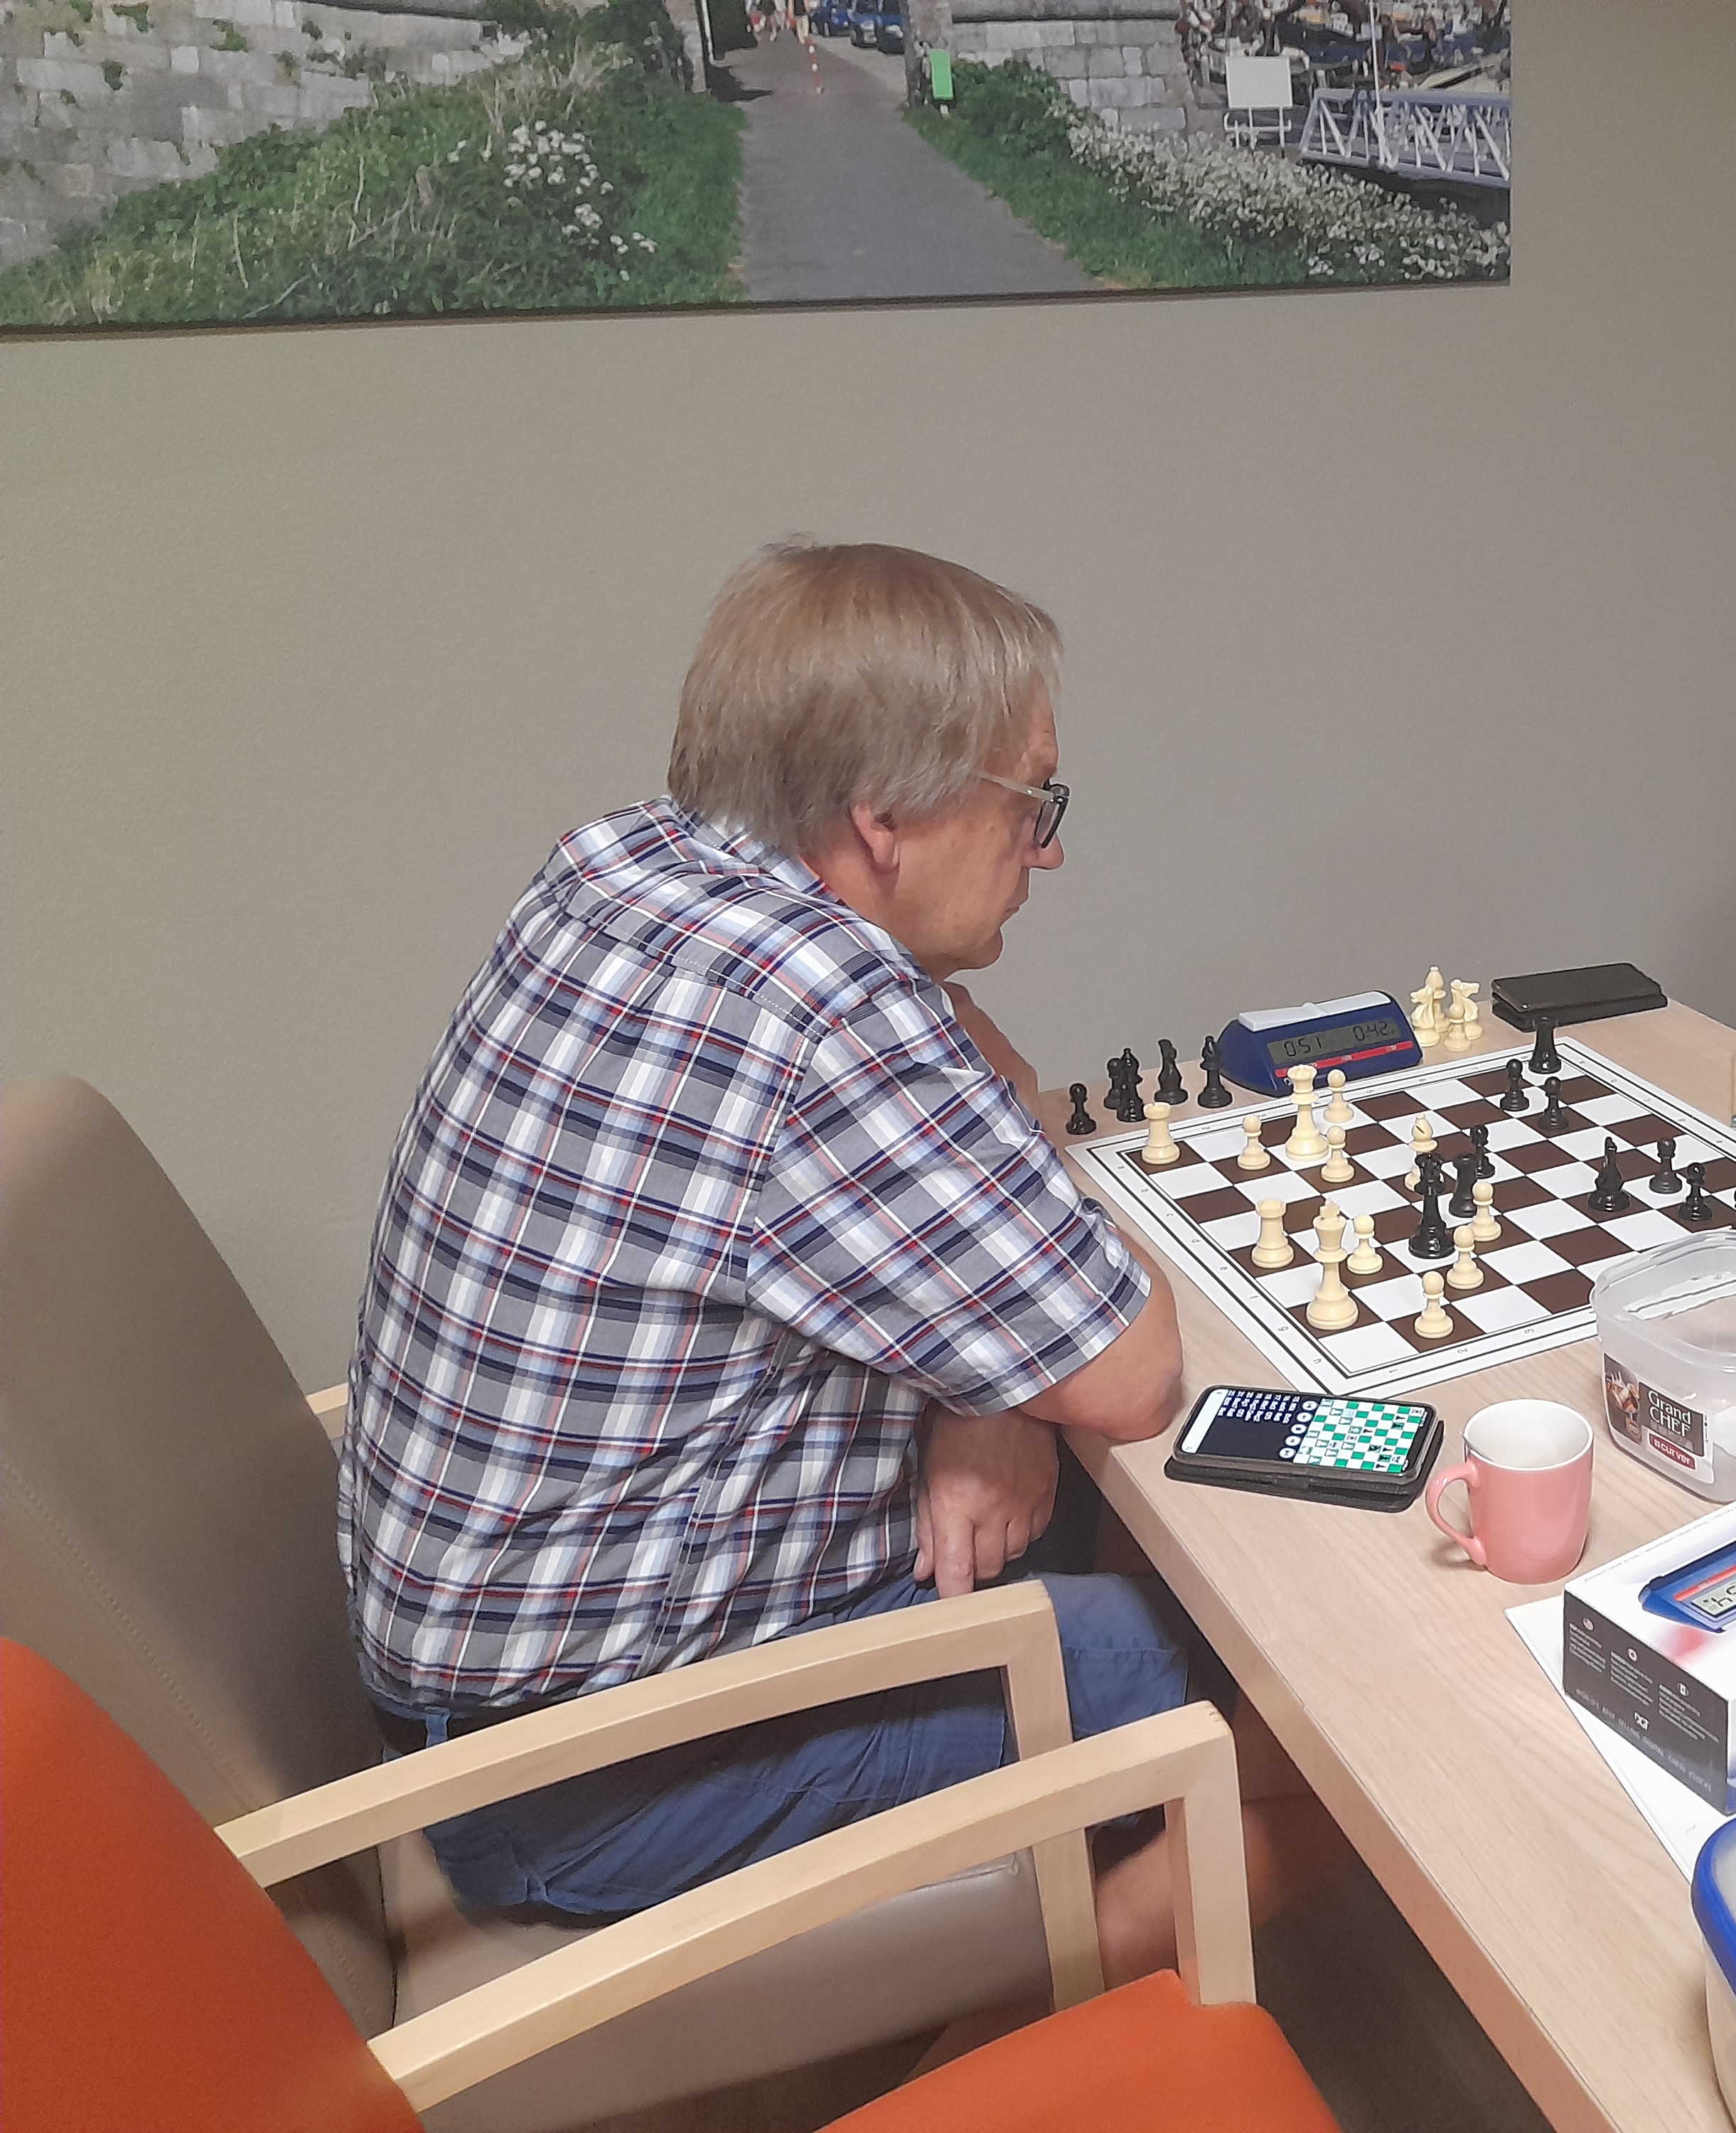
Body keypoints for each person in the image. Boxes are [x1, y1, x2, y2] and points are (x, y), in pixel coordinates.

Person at [338, 542, 1343, 1983]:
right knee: (1313, 1713)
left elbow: (933, 1098)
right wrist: (1014, 1360)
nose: (1048, 852)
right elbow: (1126, 1367)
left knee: (1127, 1535)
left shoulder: (622, 862)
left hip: (497, 1679)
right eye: (1032, 804)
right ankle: (1000, 2064)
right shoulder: (820, 1003)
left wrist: (986, 1391)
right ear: (883, 820)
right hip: (601, 1769)